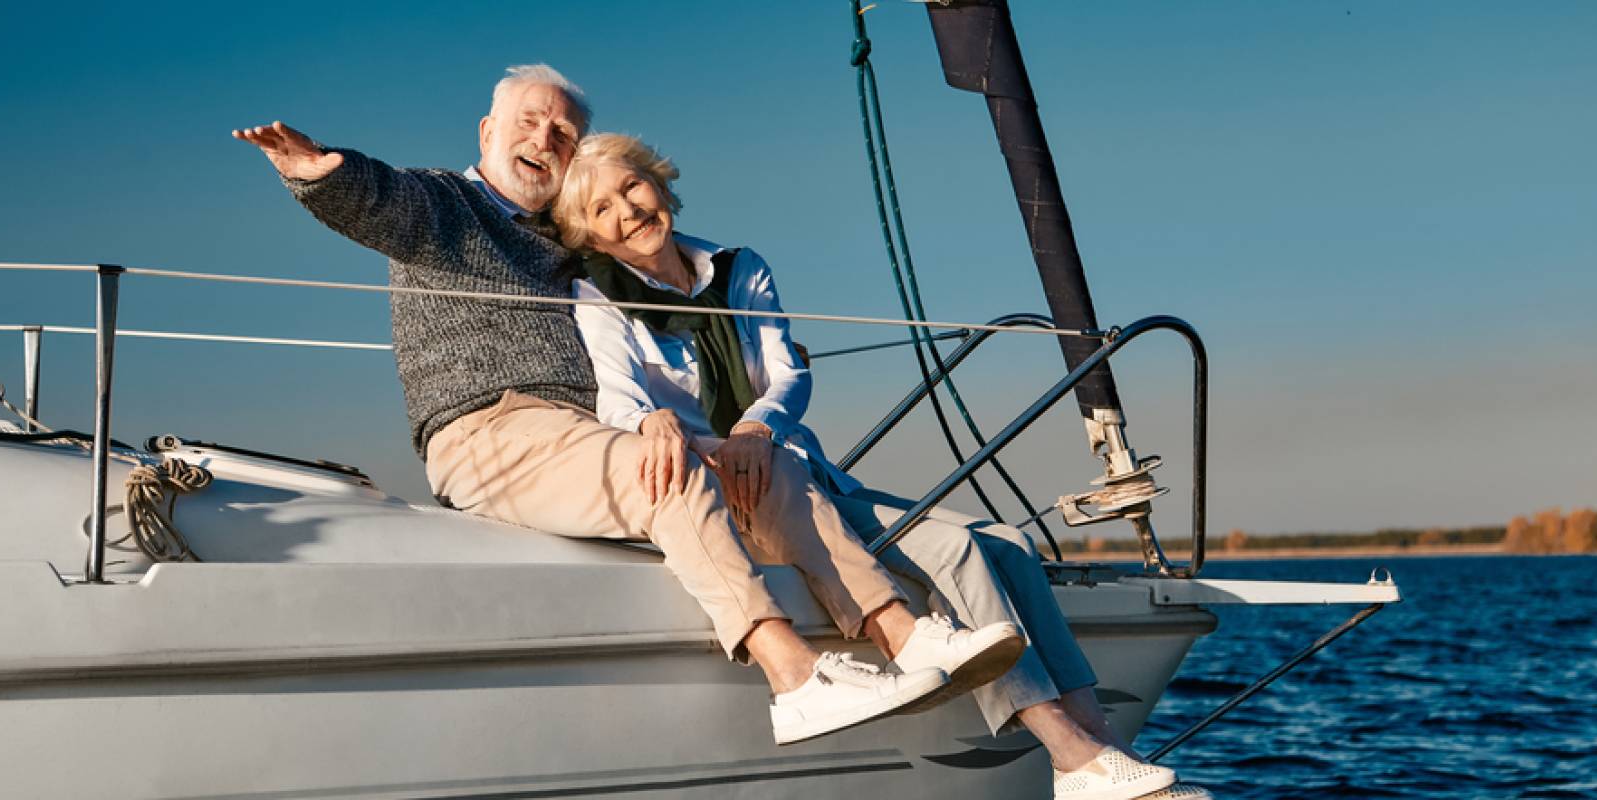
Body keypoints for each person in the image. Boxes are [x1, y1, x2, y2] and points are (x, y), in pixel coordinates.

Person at [230, 65, 1022, 746]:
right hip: (488, 430)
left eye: (564, 133)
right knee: (663, 463)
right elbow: (379, 202)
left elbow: (660, 276)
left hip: (582, 435)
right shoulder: (446, 205)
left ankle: (905, 637)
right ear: (487, 130)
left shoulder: (571, 243)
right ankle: (797, 679)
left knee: (769, 468)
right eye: (531, 122)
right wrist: (318, 169)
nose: (546, 139)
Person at [555, 132, 1211, 800]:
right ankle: (1068, 755)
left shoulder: (739, 267)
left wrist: (757, 425)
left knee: (1010, 545)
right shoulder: (598, 296)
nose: (626, 211)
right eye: (601, 210)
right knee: (955, 549)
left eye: (632, 187)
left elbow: (788, 374)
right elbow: (619, 400)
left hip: (802, 470)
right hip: (738, 499)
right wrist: (656, 423)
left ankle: (1109, 749)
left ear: (661, 183)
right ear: (591, 235)